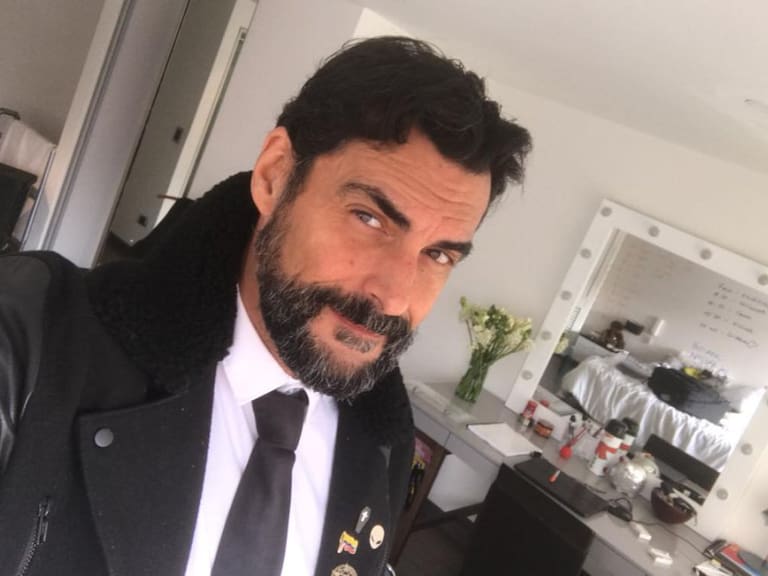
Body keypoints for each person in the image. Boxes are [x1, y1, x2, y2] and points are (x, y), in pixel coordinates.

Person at [0, 36, 531, 576]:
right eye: (369, 218)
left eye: (438, 254)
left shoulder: (385, 445)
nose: (394, 296)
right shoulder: (32, 334)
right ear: (275, 176)